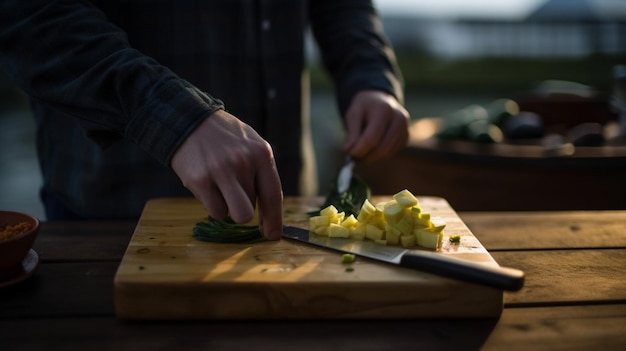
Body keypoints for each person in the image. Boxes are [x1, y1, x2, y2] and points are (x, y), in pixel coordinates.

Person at [0, 0, 409, 240]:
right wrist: (174, 118)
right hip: (112, 219)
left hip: (288, 218)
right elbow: (31, 17)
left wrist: (370, 77)